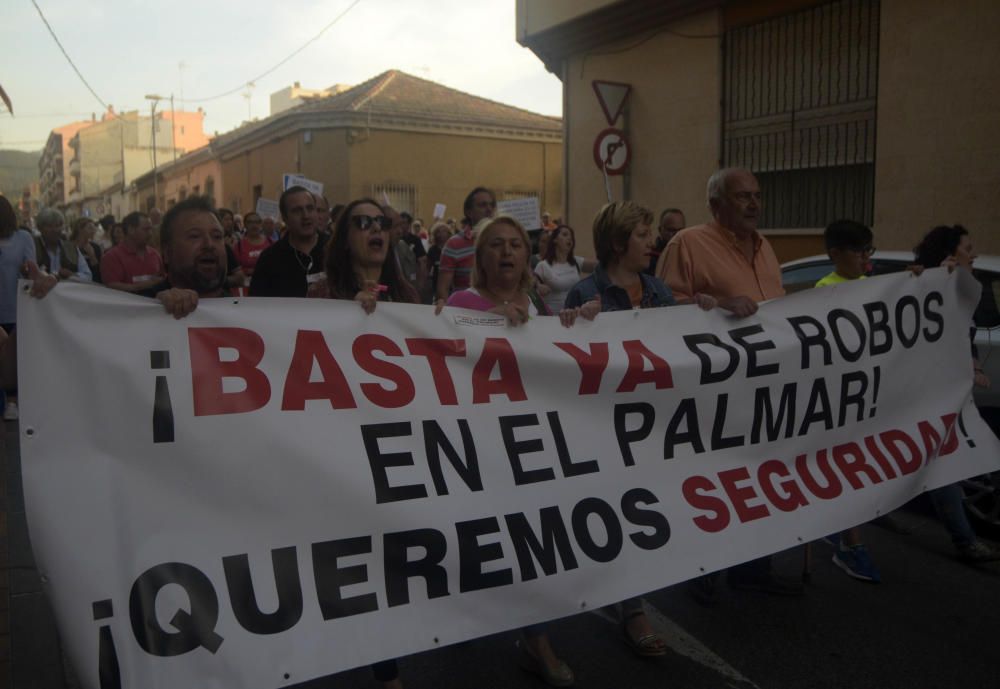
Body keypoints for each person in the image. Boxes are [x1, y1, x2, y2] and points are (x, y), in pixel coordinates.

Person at [442, 214, 591, 687]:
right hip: (478, 440)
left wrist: (568, 325)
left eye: (515, 245)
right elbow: (444, 352)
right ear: (480, 258)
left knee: (527, 540)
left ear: (528, 257)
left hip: (527, 444)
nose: (507, 253)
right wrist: (489, 322)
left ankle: (537, 639)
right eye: (495, 246)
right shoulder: (459, 302)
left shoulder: (537, 305)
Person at [564, 200, 715, 657]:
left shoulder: (658, 291)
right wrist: (572, 323)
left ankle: (631, 603)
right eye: (644, 236)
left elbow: (677, 348)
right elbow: (557, 360)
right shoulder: (581, 292)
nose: (654, 244)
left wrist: (705, 313)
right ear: (618, 243)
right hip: (601, 424)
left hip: (649, 424)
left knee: (643, 508)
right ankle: (621, 605)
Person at [657, 168, 799, 598]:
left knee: (760, 476)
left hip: (765, 385)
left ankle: (753, 566)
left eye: (757, 195)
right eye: (742, 197)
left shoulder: (766, 246)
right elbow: (661, 307)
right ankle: (700, 570)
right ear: (716, 204)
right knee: (714, 482)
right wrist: (720, 305)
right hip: (713, 389)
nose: (754, 204)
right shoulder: (689, 244)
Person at [320, 198, 415, 689]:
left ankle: (387, 660)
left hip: (394, 449)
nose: (375, 229)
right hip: (337, 453)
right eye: (362, 223)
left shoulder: (409, 299)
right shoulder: (315, 297)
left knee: (390, 560)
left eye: (382, 223)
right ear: (344, 237)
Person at [914, 225, 1000, 563]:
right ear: (950, 255)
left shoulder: (965, 292)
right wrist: (920, 281)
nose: (973, 254)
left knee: (941, 462)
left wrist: (974, 367)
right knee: (941, 463)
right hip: (922, 397)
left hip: (948, 395)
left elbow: (965, 338)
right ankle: (965, 541)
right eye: (968, 248)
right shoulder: (925, 289)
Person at [813, 220, 883, 582]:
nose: (864, 258)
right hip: (837, 398)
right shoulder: (826, 289)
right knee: (845, 469)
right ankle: (851, 545)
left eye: (867, 250)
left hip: (863, 395)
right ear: (835, 254)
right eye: (858, 251)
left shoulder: (871, 285)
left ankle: (840, 531)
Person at [0, 196, 42, 421]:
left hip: (14, 305)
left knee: (16, 355)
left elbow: (31, 267)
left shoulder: (23, 238)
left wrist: (28, 270)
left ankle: (14, 400)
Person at [249, 186, 327, 298]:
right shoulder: (269, 258)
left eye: (310, 208)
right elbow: (257, 304)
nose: (306, 216)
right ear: (285, 218)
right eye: (297, 211)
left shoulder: (336, 249)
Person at [436, 187, 497, 301]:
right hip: (466, 314)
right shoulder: (454, 244)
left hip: (501, 313)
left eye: (492, 205)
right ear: (469, 212)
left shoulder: (505, 240)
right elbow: (443, 289)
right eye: (483, 205)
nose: (489, 209)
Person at [533, 224, 596, 313]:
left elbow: (599, 266)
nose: (569, 238)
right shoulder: (543, 265)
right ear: (555, 240)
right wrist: (538, 286)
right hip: (552, 319)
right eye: (565, 235)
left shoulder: (576, 261)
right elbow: (529, 284)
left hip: (574, 317)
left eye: (571, 236)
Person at [99, 211, 165, 296]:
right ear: (131, 230)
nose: (150, 234)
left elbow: (162, 279)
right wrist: (144, 285)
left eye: (151, 229)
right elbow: (111, 288)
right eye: (146, 229)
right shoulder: (111, 257)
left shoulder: (155, 254)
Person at [34, 208, 91, 281]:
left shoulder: (71, 248)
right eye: (49, 226)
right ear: (40, 228)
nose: (54, 230)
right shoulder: (33, 247)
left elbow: (88, 275)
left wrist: (72, 275)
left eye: (58, 226)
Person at [232, 211, 272, 279]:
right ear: (245, 224)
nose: (254, 225)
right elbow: (235, 270)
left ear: (261, 224)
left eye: (257, 222)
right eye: (250, 222)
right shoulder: (238, 246)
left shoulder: (271, 243)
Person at [646, 208, 685, 275]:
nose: (676, 234)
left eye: (680, 230)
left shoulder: (688, 254)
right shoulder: (649, 257)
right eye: (671, 230)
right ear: (660, 230)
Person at [70, 217, 103, 283]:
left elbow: (99, 274)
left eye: (94, 228)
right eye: (90, 228)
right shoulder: (69, 246)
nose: (93, 231)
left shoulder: (95, 247)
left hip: (91, 284)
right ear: (79, 229)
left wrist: (92, 256)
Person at [426, 221, 450, 303]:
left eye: (443, 231)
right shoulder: (432, 250)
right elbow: (427, 267)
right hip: (436, 283)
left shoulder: (452, 247)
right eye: (438, 231)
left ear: (448, 233)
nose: (441, 234)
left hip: (451, 284)